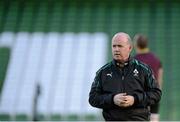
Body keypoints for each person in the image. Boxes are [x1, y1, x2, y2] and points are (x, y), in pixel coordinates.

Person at [88, 32, 162, 121]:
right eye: (114, 46)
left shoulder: (143, 69)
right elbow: (93, 98)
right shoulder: (103, 72)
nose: (116, 49)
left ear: (130, 48)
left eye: (120, 46)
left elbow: (156, 94)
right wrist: (112, 99)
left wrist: (135, 99)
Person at [133, 34, 163, 121]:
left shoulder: (134, 61)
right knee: (154, 118)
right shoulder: (156, 59)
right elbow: (160, 79)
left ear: (135, 44)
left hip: (140, 96)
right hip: (154, 93)